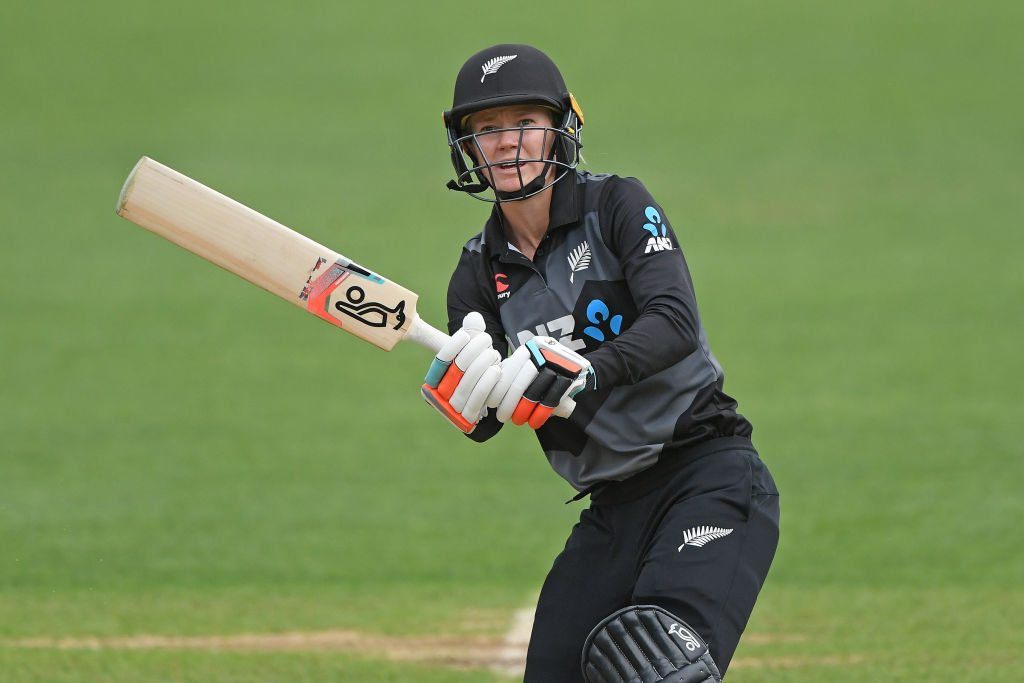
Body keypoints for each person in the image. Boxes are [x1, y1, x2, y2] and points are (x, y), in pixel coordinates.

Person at [421, 44, 780, 682]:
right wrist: (466, 392)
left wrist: (582, 371)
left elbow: (674, 322)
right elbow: (486, 422)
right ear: (467, 147)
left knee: (660, 668)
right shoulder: (475, 275)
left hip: (706, 475)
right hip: (611, 511)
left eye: (524, 123)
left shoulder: (615, 205)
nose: (506, 144)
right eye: (486, 129)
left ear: (561, 128)